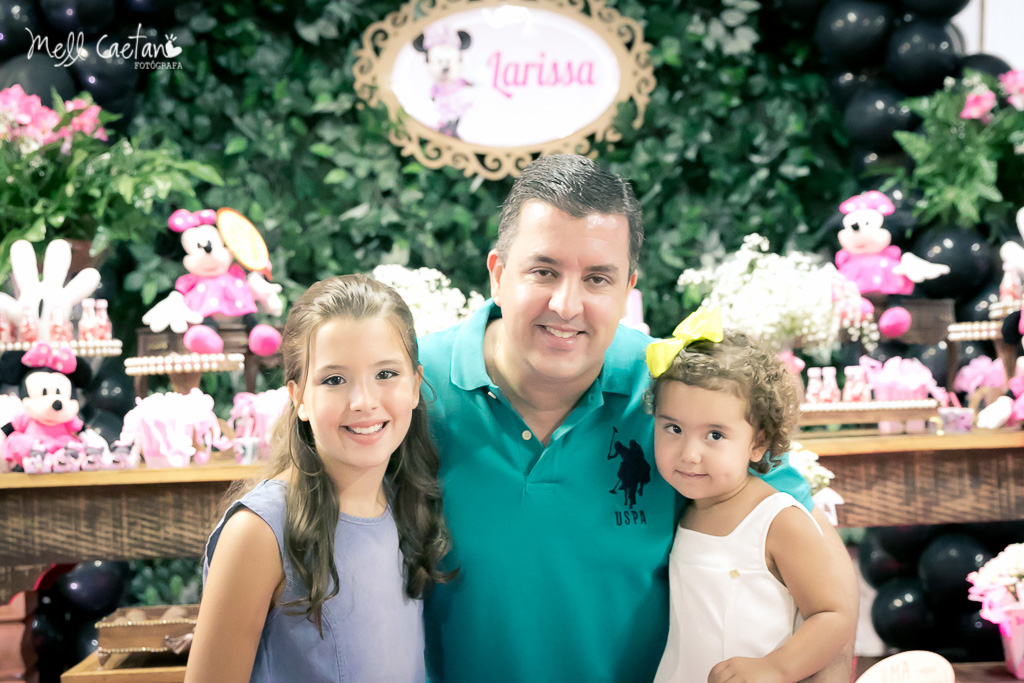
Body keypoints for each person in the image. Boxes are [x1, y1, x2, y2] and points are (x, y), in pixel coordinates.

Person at [419, 153, 857, 682]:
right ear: (497, 274)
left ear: (628, 290)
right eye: (544, 271)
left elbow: (822, 586)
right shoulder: (408, 389)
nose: (567, 305)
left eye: (597, 279)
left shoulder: (680, 391)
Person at [186, 275, 453, 682]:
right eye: (334, 380)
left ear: (415, 386)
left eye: (385, 374)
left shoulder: (406, 505)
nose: (364, 401)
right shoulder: (258, 533)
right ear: (298, 398)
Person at [647, 307, 858, 683]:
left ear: (758, 443)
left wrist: (775, 667)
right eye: (673, 428)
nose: (689, 454)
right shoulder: (686, 508)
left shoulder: (777, 520)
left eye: (715, 435)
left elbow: (833, 615)